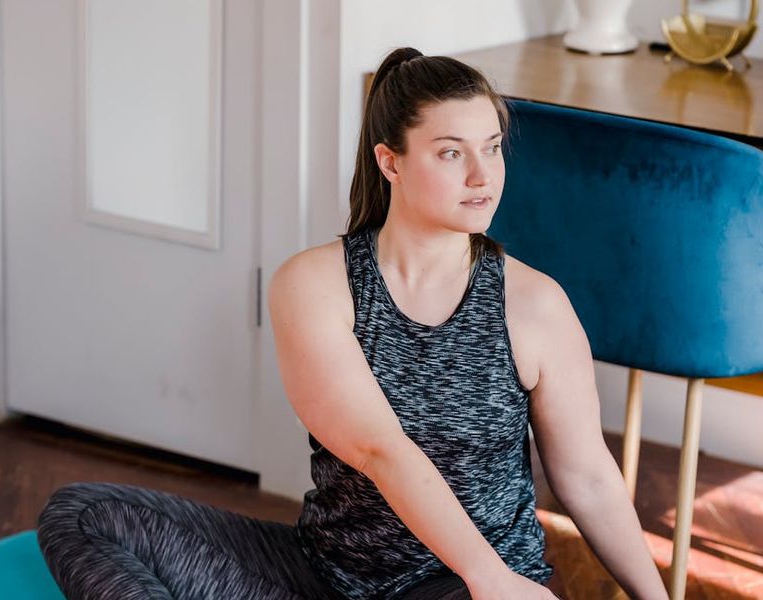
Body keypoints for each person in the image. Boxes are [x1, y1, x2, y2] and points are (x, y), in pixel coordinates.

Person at [36, 47, 668, 600]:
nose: (483, 176)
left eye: (493, 148)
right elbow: (380, 449)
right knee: (83, 513)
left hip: (464, 589)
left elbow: (586, 476)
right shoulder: (315, 286)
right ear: (390, 162)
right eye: (452, 153)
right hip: (325, 576)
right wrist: (491, 577)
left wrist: (512, 583)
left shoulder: (534, 304)